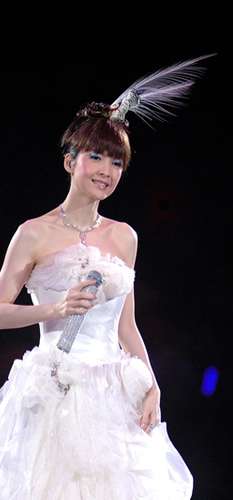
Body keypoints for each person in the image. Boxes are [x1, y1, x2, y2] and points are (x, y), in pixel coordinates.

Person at [0, 56, 213, 499]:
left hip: (114, 394)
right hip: (55, 390)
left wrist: (153, 385)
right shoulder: (33, 233)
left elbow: (126, 326)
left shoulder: (124, 236)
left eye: (117, 162)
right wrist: (55, 309)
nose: (106, 171)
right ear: (69, 162)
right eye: (96, 157)